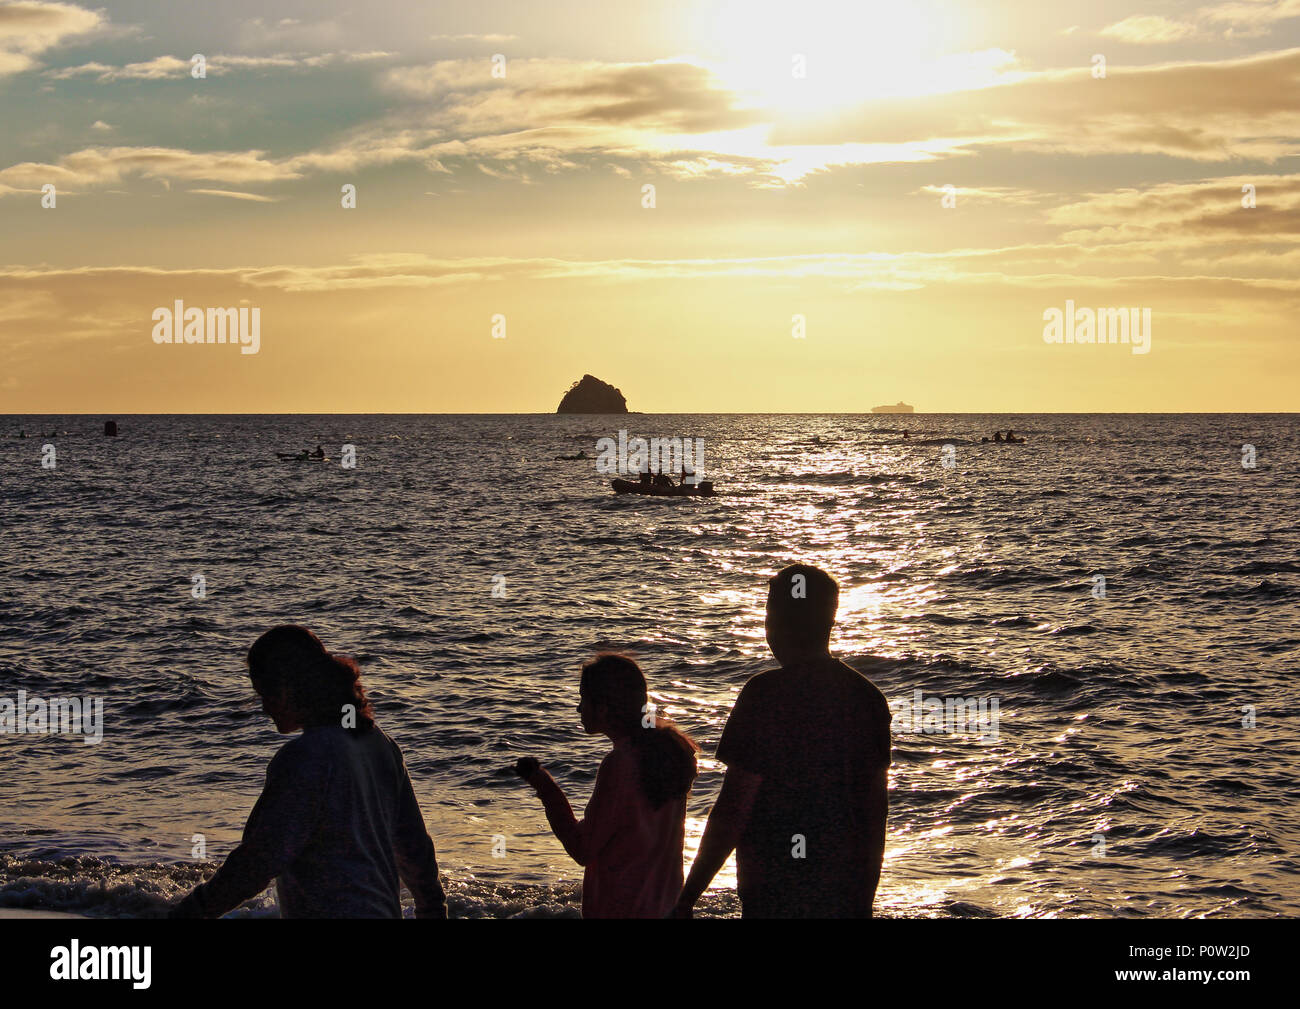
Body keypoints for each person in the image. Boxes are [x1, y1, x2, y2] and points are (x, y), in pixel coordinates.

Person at [170, 625, 447, 918]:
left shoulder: (304, 758)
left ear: (290, 688)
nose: (263, 707)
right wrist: (432, 910)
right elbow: (414, 847)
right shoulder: (379, 744)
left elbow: (256, 863)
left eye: (265, 693)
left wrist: (189, 912)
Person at [671, 565, 891, 918]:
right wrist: (865, 897)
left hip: (774, 890)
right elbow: (874, 810)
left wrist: (687, 897)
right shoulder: (868, 698)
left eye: (768, 612)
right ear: (830, 621)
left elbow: (733, 807)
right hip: (843, 894)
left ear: (778, 622)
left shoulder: (764, 694)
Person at [515, 654, 699, 918]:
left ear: (602, 708)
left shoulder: (621, 764)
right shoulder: (673, 750)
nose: (578, 709)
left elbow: (583, 848)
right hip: (667, 907)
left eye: (582, 699)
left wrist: (544, 786)